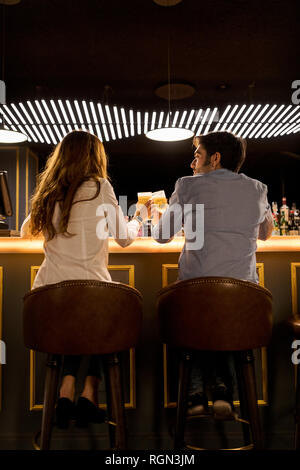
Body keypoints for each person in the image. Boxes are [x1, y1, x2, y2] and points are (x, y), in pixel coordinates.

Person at [21, 129, 151, 429]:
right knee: (103, 316)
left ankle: (66, 390)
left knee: (77, 317)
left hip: (48, 300)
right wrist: (139, 219)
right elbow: (124, 240)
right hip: (92, 298)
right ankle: (89, 392)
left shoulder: (50, 190)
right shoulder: (99, 186)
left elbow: (27, 230)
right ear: (95, 158)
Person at [152, 131, 273, 419]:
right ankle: (223, 392)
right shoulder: (258, 188)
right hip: (244, 302)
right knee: (226, 316)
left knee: (196, 308)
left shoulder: (186, 186)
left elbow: (161, 236)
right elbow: (266, 233)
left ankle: (194, 394)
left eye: (197, 156)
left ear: (214, 158)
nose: (192, 164)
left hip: (196, 298)